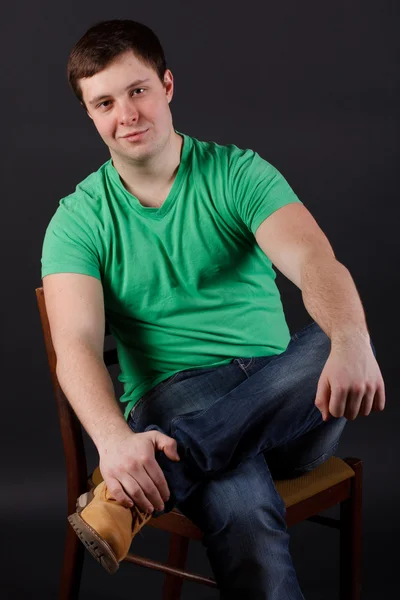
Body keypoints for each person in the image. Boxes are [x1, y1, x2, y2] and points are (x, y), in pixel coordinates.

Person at [41, 19, 385, 599]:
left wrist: (352, 340)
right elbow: (73, 343)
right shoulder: (78, 219)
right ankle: (181, 460)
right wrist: (115, 442)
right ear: (91, 115)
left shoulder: (238, 174)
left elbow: (316, 264)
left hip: (287, 402)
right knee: (243, 512)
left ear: (168, 86)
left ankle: (156, 479)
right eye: (104, 102)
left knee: (337, 337)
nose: (126, 114)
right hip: (177, 392)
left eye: (138, 90)